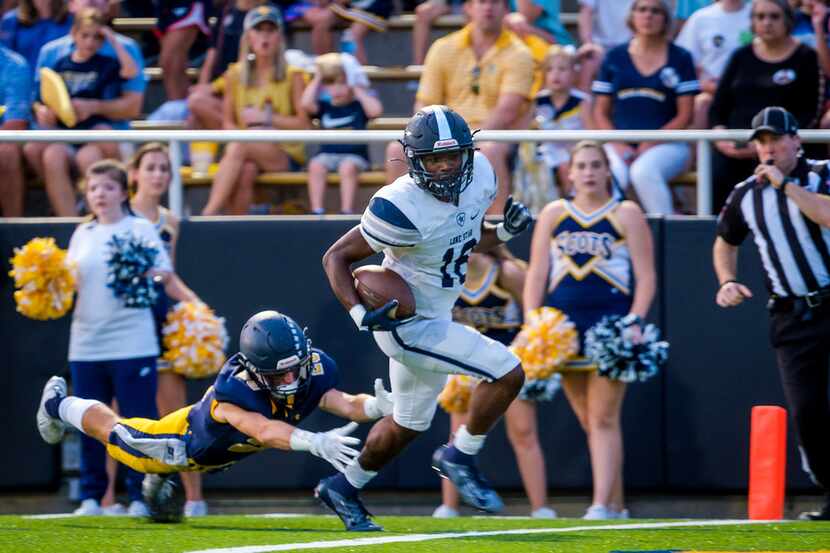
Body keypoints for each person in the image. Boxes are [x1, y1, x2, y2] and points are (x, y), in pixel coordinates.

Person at [316, 105, 533, 531]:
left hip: (436, 313)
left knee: (409, 423)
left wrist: (503, 234)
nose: (447, 166)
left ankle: (343, 487)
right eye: (435, 158)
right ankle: (459, 455)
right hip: (407, 323)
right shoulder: (399, 206)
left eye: (453, 156)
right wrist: (360, 314)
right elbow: (336, 257)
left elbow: (465, 241)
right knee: (507, 372)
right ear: (415, 162)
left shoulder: (482, 175)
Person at [36, 310, 396, 518]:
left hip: (216, 454)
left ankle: (159, 483)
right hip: (184, 444)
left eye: (295, 369)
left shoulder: (313, 368)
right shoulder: (234, 391)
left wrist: (377, 406)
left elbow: (342, 402)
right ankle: (57, 404)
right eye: (278, 375)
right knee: (120, 434)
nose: (290, 380)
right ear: (255, 370)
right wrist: (314, 442)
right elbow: (263, 429)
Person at [524, 140, 656, 520]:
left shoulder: (626, 212)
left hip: (609, 325)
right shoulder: (553, 213)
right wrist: (535, 321)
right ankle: (616, 504)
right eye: (581, 165)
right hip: (563, 328)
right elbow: (536, 273)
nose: (588, 172)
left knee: (603, 418)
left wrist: (635, 320)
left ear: (607, 170)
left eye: (596, 165)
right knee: (590, 420)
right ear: (570, 172)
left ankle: (601, 504)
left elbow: (646, 277)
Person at [713, 106, 830, 522]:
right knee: (808, 413)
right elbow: (725, 240)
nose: (769, 148)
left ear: (796, 140)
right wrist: (726, 280)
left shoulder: (822, 173)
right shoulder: (746, 193)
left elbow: (827, 215)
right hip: (791, 315)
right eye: (761, 142)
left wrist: (785, 186)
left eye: (776, 139)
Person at [59, 159, 188, 516]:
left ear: (122, 192)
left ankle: (137, 496)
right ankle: (92, 497)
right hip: (86, 343)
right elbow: (68, 283)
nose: (100, 195)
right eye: (94, 188)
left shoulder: (141, 229)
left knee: (135, 421)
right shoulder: (81, 234)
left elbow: (164, 275)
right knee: (87, 420)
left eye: (108, 187)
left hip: (133, 342)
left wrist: (150, 277)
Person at [433, 248, 556, 520]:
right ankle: (449, 508)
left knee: (523, 432)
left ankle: (540, 508)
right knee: (457, 437)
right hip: (466, 364)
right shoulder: (444, 273)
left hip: (507, 365)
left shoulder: (507, 272)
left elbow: (534, 319)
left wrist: (525, 349)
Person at [388, 0, 535, 215]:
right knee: (395, 149)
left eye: (495, 2)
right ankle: (403, 224)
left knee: (489, 150)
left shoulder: (520, 52)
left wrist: (465, 142)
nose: (488, 7)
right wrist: (435, 139)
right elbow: (424, 104)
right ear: (468, 8)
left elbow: (507, 111)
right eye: (481, 2)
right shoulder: (443, 47)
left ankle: (494, 230)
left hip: (494, 135)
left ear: (505, 10)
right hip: (443, 135)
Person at [126, 142, 208, 517]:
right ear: (134, 174)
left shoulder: (169, 221)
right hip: (126, 321)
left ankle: (194, 498)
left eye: (164, 169)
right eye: (151, 168)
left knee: (178, 412)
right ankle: (115, 498)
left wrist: (196, 308)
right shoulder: (119, 215)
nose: (158, 175)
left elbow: (169, 275)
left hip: (161, 319)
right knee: (123, 412)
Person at [709, 0, 822, 212]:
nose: (767, 22)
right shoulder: (740, 56)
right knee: (718, 174)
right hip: (735, 149)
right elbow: (718, 108)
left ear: (788, 20)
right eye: (760, 17)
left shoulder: (806, 56)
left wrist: (767, 144)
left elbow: (811, 113)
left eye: (774, 16)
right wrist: (722, 137)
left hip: (786, 150)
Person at [24, 7, 138, 217]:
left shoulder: (107, 64)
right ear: (73, 34)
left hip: (92, 131)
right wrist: (45, 111)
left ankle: (94, 217)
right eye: (84, 35)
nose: (90, 42)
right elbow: (42, 97)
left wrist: (112, 39)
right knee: (51, 155)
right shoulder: (59, 63)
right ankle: (68, 220)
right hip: (65, 131)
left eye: (97, 37)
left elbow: (130, 71)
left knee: (89, 157)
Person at [201, 5, 310, 216]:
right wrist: (249, 136)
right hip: (245, 151)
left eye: (271, 30)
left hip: (284, 152)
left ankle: (207, 215)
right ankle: (236, 233)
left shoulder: (293, 74)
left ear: (279, 36)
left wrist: (267, 119)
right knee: (246, 171)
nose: (265, 36)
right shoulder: (234, 74)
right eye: (259, 30)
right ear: (248, 37)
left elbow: (304, 124)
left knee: (239, 146)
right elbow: (227, 123)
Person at [592, 0, 698, 216]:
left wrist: (650, 141)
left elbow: (685, 115)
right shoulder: (614, 57)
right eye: (642, 9)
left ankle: (667, 235)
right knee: (612, 174)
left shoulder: (681, 58)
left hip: (668, 144)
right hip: (619, 143)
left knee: (644, 172)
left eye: (655, 11)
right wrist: (618, 143)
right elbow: (600, 112)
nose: (648, 16)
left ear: (665, 18)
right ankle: (607, 235)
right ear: (632, 16)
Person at [300, 52, 383, 215]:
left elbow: (375, 110)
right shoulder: (325, 106)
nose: (336, 89)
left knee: (347, 168)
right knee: (315, 166)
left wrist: (356, 88)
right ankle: (316, 210)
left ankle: (346, 210)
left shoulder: (358, 106)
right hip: (327, 155)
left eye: (342, 83)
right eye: (330, 83)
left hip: (354, 157)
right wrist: (318, 78)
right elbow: (306, 104)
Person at [187, 0, 269, 131]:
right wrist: (203, 86)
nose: (265, 34)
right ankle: (239, 142)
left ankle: (241, 142)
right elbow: (211, 57)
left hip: (247, 87)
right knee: (195, 111)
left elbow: (246, 67)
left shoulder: (265, 14)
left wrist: (213, 87)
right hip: (224, 86)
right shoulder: (225, 12)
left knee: (197, 103)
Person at [675, 0, 752, 129]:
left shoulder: (758, 14)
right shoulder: (701, 18)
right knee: (701, 103)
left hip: (752, 89)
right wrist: (702, 83)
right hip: (712, 94)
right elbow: (683, 61)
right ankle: (698, 150)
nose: (766, 21)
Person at [155, 0, 214, 101]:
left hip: (188, 4)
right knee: (171, 62)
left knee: (169, 60)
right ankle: (181, 104)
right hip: (166, 6)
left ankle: (177, 105)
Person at [0, 44, 31, 217]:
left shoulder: (14, 65)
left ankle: (13, 227)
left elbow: (15, 123)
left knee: (6, 151)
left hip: (3, 137)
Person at [0, 0, 71, 73]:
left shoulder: (70, 19)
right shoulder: (12, 20)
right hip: (22, 80)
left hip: (56, 79)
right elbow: (6, 58)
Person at [576, 0, 634, 90]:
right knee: (588, 61)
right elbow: (586, 12)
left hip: (631, 45)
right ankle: (584, 102)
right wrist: (588, 44)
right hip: (599, 47)